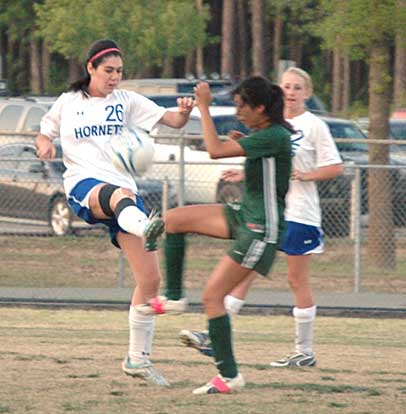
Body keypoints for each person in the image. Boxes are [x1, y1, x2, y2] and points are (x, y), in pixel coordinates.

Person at [35, 39, 193, 386]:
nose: (115, 77)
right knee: (117, 195)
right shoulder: (68, 103)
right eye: (108, 70)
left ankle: (137, 360)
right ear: (90, 68)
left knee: (150, 283)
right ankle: (146, 225)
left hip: (124, 195)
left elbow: (172, 120)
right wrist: (45, 143)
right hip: (85, 186)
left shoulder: (128, 101)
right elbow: (43, 134)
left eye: (120, 71)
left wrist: (183, 112)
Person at [177, 67, 344, 367]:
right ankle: (216, 335)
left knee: (296, 280)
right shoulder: (270, 127)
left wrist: (305, 175)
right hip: (269, 213)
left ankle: (304, 351)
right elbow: (270, 165)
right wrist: (245, 170)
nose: (291, 92)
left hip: (299, 214)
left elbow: (335, 167)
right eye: (286, 86)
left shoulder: (313, 125)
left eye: (297, 87)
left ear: (307, 93)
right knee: (246, 271)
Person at [145, 76, 293, 394]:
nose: (238, 111)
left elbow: (213, 150)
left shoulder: (275, 135)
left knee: (212, 297)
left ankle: (229, 376)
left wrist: (203, 106)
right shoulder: (267, 134)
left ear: (261, 108)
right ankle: (173, 297)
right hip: (245, 217)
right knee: (174, 220)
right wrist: (243, 142)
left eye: (242, 106)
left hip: (260, 230)